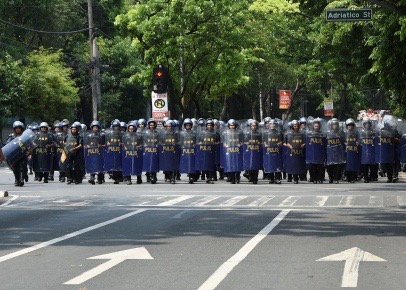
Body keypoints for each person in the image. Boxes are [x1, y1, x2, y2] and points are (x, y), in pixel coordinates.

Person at [6, 121, 29, 186]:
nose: (18, 129)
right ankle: (17, 179)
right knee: (15, 168)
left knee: (22, 167)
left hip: (22, 154)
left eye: (19, 128)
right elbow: (8, 144)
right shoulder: (11, 136)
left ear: (21, 129)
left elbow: (28, 145)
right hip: (14, 155)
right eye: (16, 128)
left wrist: (28, 152)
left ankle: (22, 180)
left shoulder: (24, 136)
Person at [283, 120, 306, 184]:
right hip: (291, 151)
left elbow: (305, 141)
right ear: (292, 126)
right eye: (294, 126)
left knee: (299, 165)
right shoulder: (288, 133)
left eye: (297, 126)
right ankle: (294, 178)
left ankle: (299, 177)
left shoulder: (302, 133)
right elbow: (284, 142)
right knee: (292, 165)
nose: (296, 127)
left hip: (299, 151)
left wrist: (303, 144)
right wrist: (288, 145)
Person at [305, 118, 326, 184]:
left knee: (320, 166)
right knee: (313, 166)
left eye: (317, 126)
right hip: (312, 153)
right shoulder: (309, 134)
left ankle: (320, 178)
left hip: (320, 153)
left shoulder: (322, 134)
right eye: (315, 126)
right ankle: (314, 178)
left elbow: (325, 144)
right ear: (313, 126)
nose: (316, 127)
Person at [326, 118, 346, 184]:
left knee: (337, 166)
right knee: (329, 166)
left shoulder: (341, 133)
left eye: (336, 125)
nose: (335, 126)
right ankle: (331, 178)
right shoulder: (328, 133)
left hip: (338, 151)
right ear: (331, 125)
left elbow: (344, 141)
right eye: (333, 125)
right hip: (330, 152)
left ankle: (336, 178)